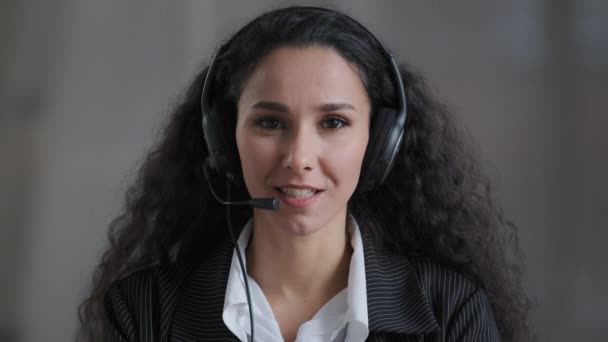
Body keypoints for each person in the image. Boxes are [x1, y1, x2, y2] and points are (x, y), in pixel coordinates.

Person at [77, 6, 531, 342]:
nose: (299, 157)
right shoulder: (143, 311)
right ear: (222, 139)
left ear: (379, 142)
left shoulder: (450, 310)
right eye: (270, 122)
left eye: (333, 123)